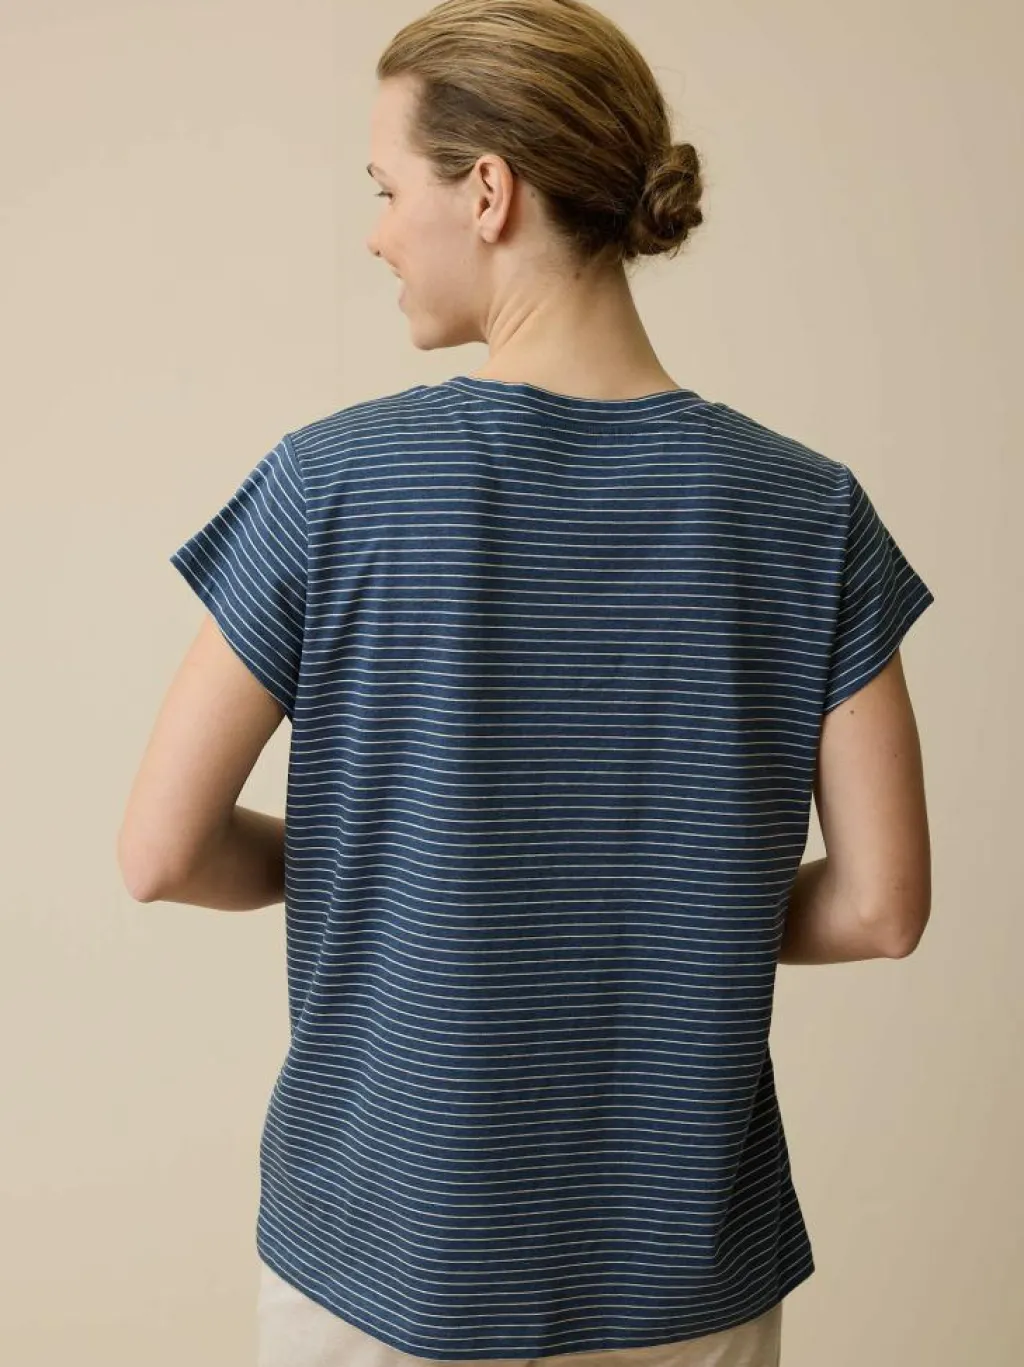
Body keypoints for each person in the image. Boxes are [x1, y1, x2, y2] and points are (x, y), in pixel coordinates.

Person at [156, 1, 935, 1363]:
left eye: (387, 188)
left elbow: (160, 850)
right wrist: (662, 914)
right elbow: (882, 908)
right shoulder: (810, 514)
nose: (377, 234)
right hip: (686, 1271)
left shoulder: (331, 485)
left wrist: (392, 873)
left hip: (385, 1259)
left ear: (489, 191)